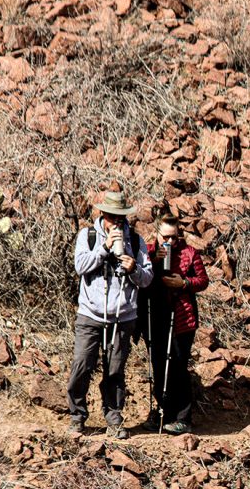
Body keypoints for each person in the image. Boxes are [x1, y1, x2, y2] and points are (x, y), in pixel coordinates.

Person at [66, 189, 153, 440]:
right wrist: (104, 248)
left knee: (115, 369)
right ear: (102, 213)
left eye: (121, 216)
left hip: (123, 316)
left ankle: (113, 417)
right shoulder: (88, 236)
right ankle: (77, 415)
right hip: (91, 314)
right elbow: (80, 266)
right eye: (113, 216)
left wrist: (134, 268)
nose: (117, 221)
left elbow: (147, 279)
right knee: (82, 364)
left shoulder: (136, 241)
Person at [139, 213, 208, 435]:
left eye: (174, 237)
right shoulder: (148, 251)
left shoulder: (189, 253)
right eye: (165, 237)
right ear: (156, 234)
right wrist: (155, 260)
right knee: (159, 365)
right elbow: (141, 279)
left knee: (178, 366)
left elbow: (203, 280)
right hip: (154, 317)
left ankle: (183, 418)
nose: (170, 242)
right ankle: (163, 412)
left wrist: (184, 282)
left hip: (181, 318)